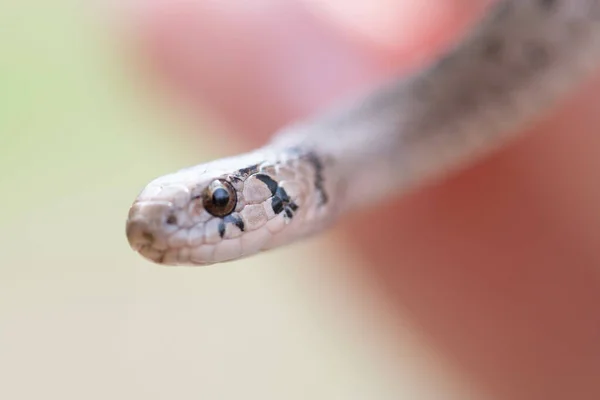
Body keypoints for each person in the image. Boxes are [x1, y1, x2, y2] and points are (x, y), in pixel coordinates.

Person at [122, 1, 600, 397]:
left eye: (220, 201)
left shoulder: (326, 155)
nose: (161, 228)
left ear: (286, 182)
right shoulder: (343, 151)